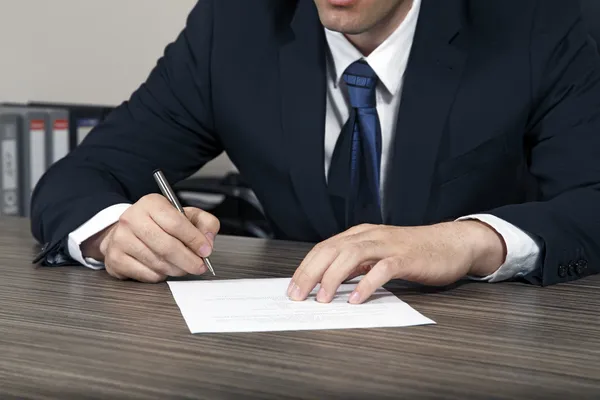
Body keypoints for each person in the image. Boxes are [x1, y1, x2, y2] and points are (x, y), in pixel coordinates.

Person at [32, 0, 600, 305]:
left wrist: (468, 241)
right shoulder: (233, 26)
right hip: (299, 343)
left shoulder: (538, 22)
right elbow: (80, 175)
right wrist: (112, 233)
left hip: (493, 350)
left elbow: (591, 199)